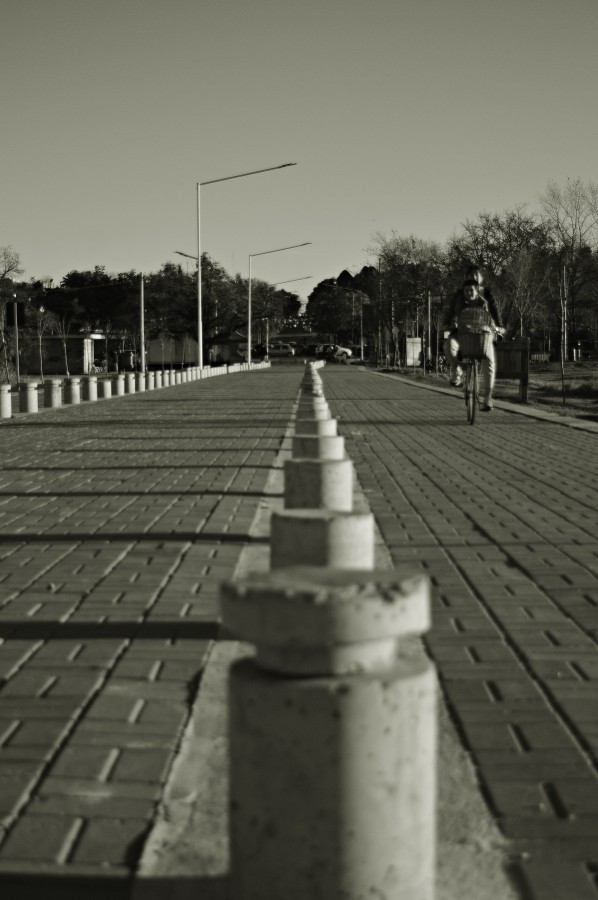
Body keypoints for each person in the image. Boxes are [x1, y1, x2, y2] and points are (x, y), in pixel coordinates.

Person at [443, 274, 504, 411]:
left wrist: (497, 330)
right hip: (463, 337)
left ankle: (487, 398)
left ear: (477, 290)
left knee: (490, 361)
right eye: (466, 291)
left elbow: (490, 320)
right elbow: (453, 316)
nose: (469, 293)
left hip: (481, 338)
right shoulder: (459, 302)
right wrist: (450, 324)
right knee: (448, 346)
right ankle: (457, 368)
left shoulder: (484, 303)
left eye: (471, 290)